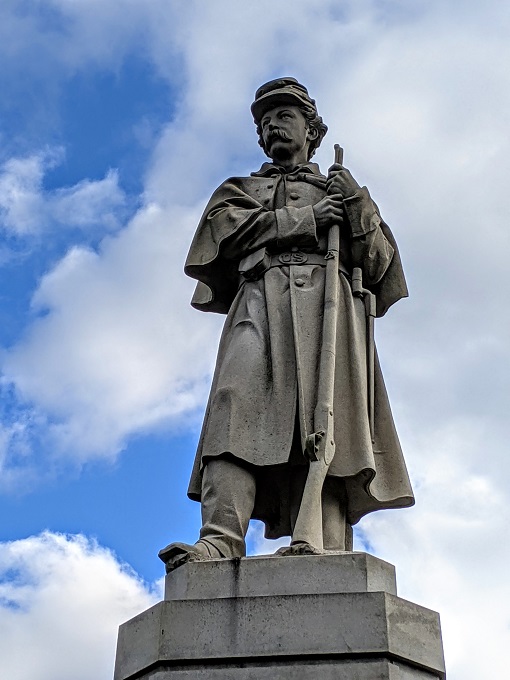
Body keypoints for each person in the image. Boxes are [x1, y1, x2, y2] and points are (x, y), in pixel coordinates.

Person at [159, 78, 414, 572]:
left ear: (310, 129)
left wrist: (357, 206)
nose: (272, 125)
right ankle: (220, 539)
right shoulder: (241, 190)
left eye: (283, 116)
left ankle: (323, 541)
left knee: (326, 425)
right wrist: (306, 218)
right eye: (264, 120)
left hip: (329, 310)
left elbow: (382, 266)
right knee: (234, 407)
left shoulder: (343, 192)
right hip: (261, 299)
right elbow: (223, 233)